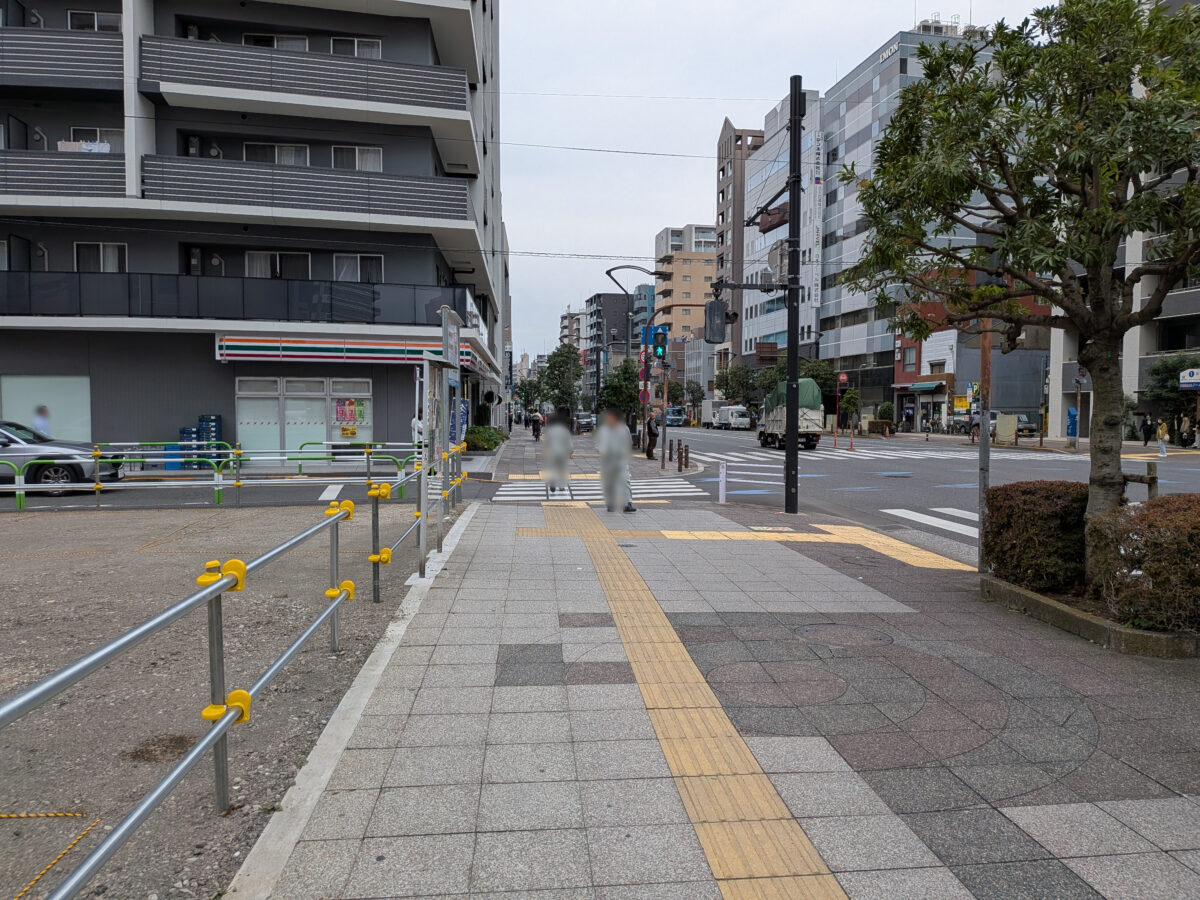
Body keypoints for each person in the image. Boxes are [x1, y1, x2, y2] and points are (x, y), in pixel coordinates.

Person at [597, 409, 635, 513]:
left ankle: (628, 504)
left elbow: (629, 441)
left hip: (621, 458)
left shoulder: (624, 428)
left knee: (625, 480)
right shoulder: (603, 430)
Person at [544, 414, 573, 494]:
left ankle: (552, 479)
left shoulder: (550, 430)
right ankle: (561, 486)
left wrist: (547, 449)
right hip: (563, 452)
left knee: (552, 467)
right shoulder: (565, 430)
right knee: (562, 469)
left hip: (553, 451)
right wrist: (571, 452)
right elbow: (569, 442)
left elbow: (547, 442)